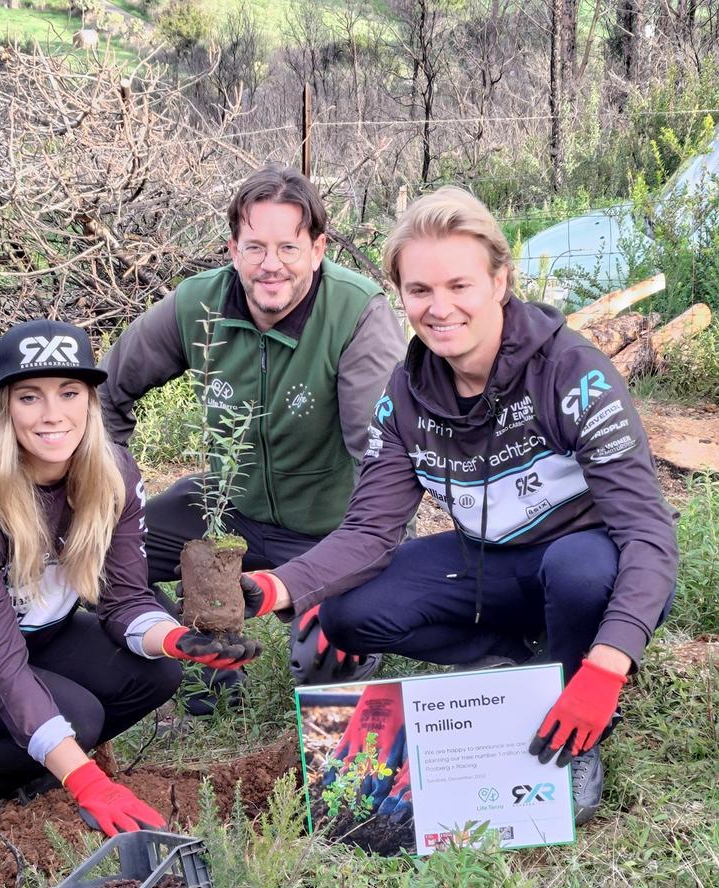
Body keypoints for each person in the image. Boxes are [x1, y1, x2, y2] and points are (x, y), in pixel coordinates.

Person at [239, 187, 678, 826]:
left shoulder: (571, 373)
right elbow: (369, 530)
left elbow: (648, 533)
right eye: (419, 290)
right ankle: (521, 666)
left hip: (588, 563)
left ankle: (581, 726)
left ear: (500, 281)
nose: (439, 308)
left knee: (582, 571)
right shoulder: (406, 392)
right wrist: (276, 587)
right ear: (399, 294)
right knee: (349, 610)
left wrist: (609, 664)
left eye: (459, 285)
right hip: (488, 562)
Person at [0, 319, 259, 838]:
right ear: (5, 409)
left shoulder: (114, 474)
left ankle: (29, 770)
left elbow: (126, 600)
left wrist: (179, 642)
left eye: (69, 393)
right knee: (76, 717)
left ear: (91, 401)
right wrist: (87, 779)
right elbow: (0, 664)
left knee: (155, 672)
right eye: (30, 397)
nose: (53, 415)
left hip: (35, 636)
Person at [99, 165, 406, 697]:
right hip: (225, 507)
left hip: (325, 528)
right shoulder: (197, 304)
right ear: (232, 249)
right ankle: (198, 649)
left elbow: (381, 456)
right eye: (255, 247)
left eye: (288, 247)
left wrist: (342, 566)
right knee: (97, 557)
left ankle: (342, 630)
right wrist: (107, 494)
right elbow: (105, 393)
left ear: (317, 249)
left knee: (324, 658)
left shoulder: (357, 315)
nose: (271, 266)